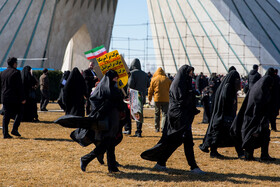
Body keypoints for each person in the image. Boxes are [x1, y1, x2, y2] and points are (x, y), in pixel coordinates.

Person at [141, 65, 205, 174]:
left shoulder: (184, 83)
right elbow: (180, 100)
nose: (191, 75)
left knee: (175, 141)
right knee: (185, 141)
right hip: (178, 117)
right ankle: (193, 167)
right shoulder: (178, 84)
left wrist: (192, 97)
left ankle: (161, 162)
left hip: (182, 116)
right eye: (189, 73)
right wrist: (190, 98)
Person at [80, 70, 126, 173]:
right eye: (115, 78)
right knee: (105, 145)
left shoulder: (110, 87)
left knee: (110, 145)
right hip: (106, 122)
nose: (116, 80)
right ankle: (85, 159)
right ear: (110, 78)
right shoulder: (106, 88)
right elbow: (105, 101)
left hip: (111, 121)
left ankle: (112, 167)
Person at [199, 70, 244, 159]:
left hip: (224, 115)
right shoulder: (227, 86)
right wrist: (232, 101)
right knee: (227, 133)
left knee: (223, 133)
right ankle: (239, 152)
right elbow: (225, 99)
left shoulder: (227, 85)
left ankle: (239, 152)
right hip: (223, 115)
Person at [230, 74, 276, 161]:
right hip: (255, 117)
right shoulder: (261, 92)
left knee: (258, 135)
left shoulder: (256, 88)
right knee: (253, 135)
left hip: (250, 117)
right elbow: (259, 107)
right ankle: (256, 155)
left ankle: (258, 155)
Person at [1, 57, 26, 138]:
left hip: (5, 96)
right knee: (20, 112)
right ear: (14, 63)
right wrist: (22, 98)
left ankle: (5, 133)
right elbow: (20, 87)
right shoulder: (16, 72)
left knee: (6, 115)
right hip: (14, 97)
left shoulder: (3, 73)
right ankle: (14, 129)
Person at [125, 58, 149, 137]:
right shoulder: (145, 74)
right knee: (139, 114)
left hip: (134, 96)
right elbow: (148, 85)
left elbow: (131, 85)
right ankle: (139, 131)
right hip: (141, 96)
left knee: (129, 113)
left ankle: (128, 129)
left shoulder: (131, 73)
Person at [148, 67, 171, 132]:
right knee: (165, 114)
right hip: (166, 99)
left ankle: (156, 128)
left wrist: (149, 99)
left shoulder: (154, 79)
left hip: (157, 99)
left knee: (157, 114)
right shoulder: (167, 79)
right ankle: (163, 127)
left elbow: (150, 90)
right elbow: (171, 89)